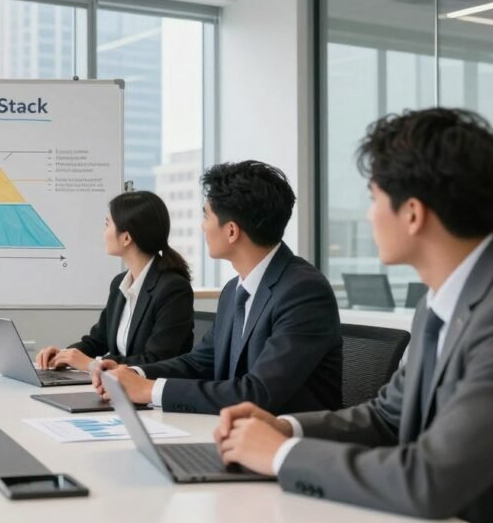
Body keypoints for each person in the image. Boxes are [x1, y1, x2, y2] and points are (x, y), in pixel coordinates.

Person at [214, 108, 493, 523]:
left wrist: (281, 455)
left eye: (373, 198)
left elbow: (430, 480)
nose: (369, 214)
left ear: (412, 213)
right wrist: (285, 429)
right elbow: (387, 417)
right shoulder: (440, 303)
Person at [94, 161, 342, 415]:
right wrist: (133, 374)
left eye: (206, 216)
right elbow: (200, 362)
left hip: (288, 443)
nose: (202, 226)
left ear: (232, 231)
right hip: (233, 432)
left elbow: (258, 393)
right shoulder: (234, 290)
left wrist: (148, 390)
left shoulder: (303, 292)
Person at [35, 191, 194, 370]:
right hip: (118, 386)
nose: (104, 231)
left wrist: (94, 365)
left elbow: (156, 360)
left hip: (149, 391)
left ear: (126, 237)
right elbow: (98, 340)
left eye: (107, 224)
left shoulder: (172, 288)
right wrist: (63, 355)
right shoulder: (120, 283)